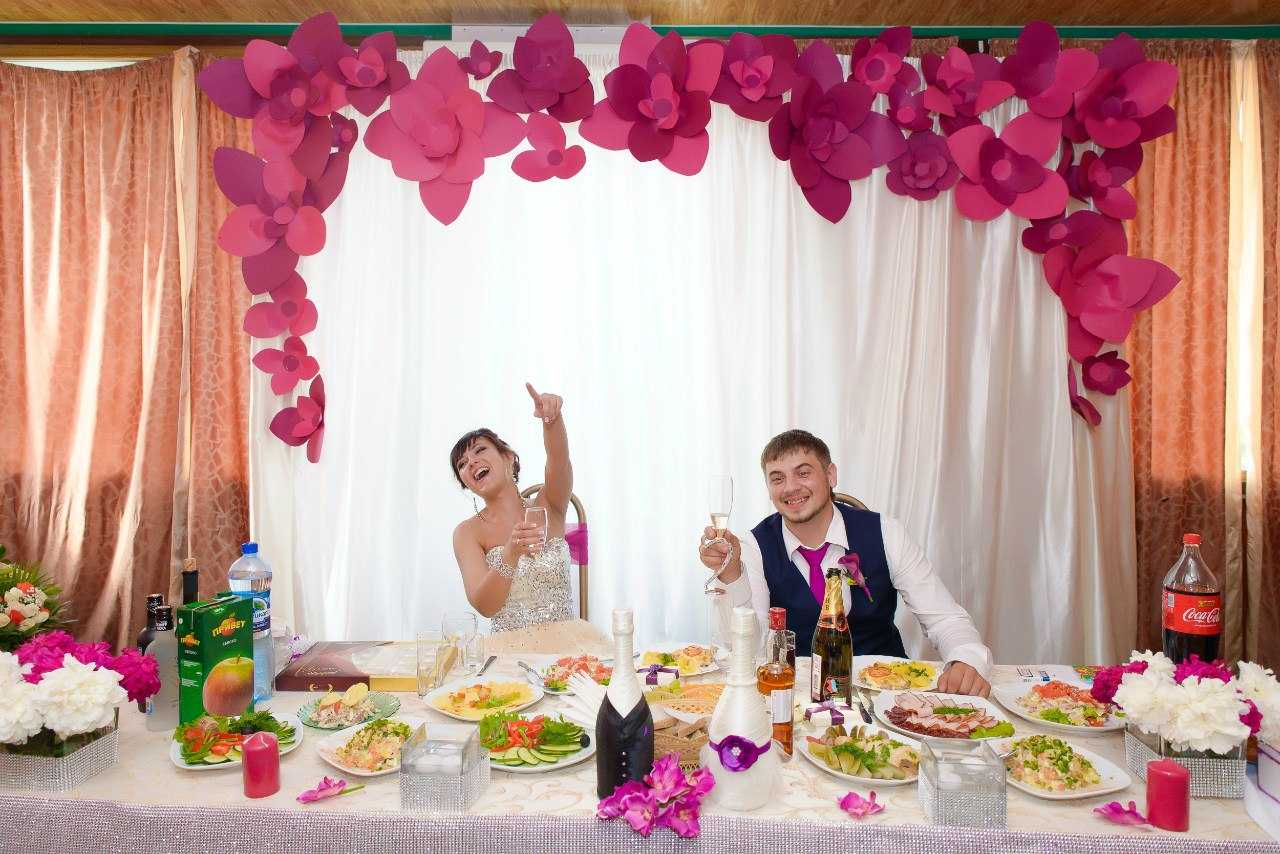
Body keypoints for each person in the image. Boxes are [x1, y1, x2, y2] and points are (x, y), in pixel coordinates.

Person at [699, 429, 993, 697]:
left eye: (803, 473)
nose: (790, 488)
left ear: (831, 475)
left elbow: (944, 617)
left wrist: (965, 659)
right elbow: (753, 649)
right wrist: (732, 574)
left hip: (888, 693)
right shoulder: (754, 545)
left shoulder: (886, 532)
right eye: (777, 478)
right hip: (799, 696)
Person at [451, 383, 574, 632]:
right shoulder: (467, 533)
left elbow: (558, 462)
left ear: (508, 457)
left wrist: (552, 420)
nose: (472, 462)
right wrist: (510, 554)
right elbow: (485, 607)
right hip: (508, 659)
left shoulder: (548, 504)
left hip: (566, 654)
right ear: (466, 482)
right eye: (462, 464)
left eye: (480, 450)